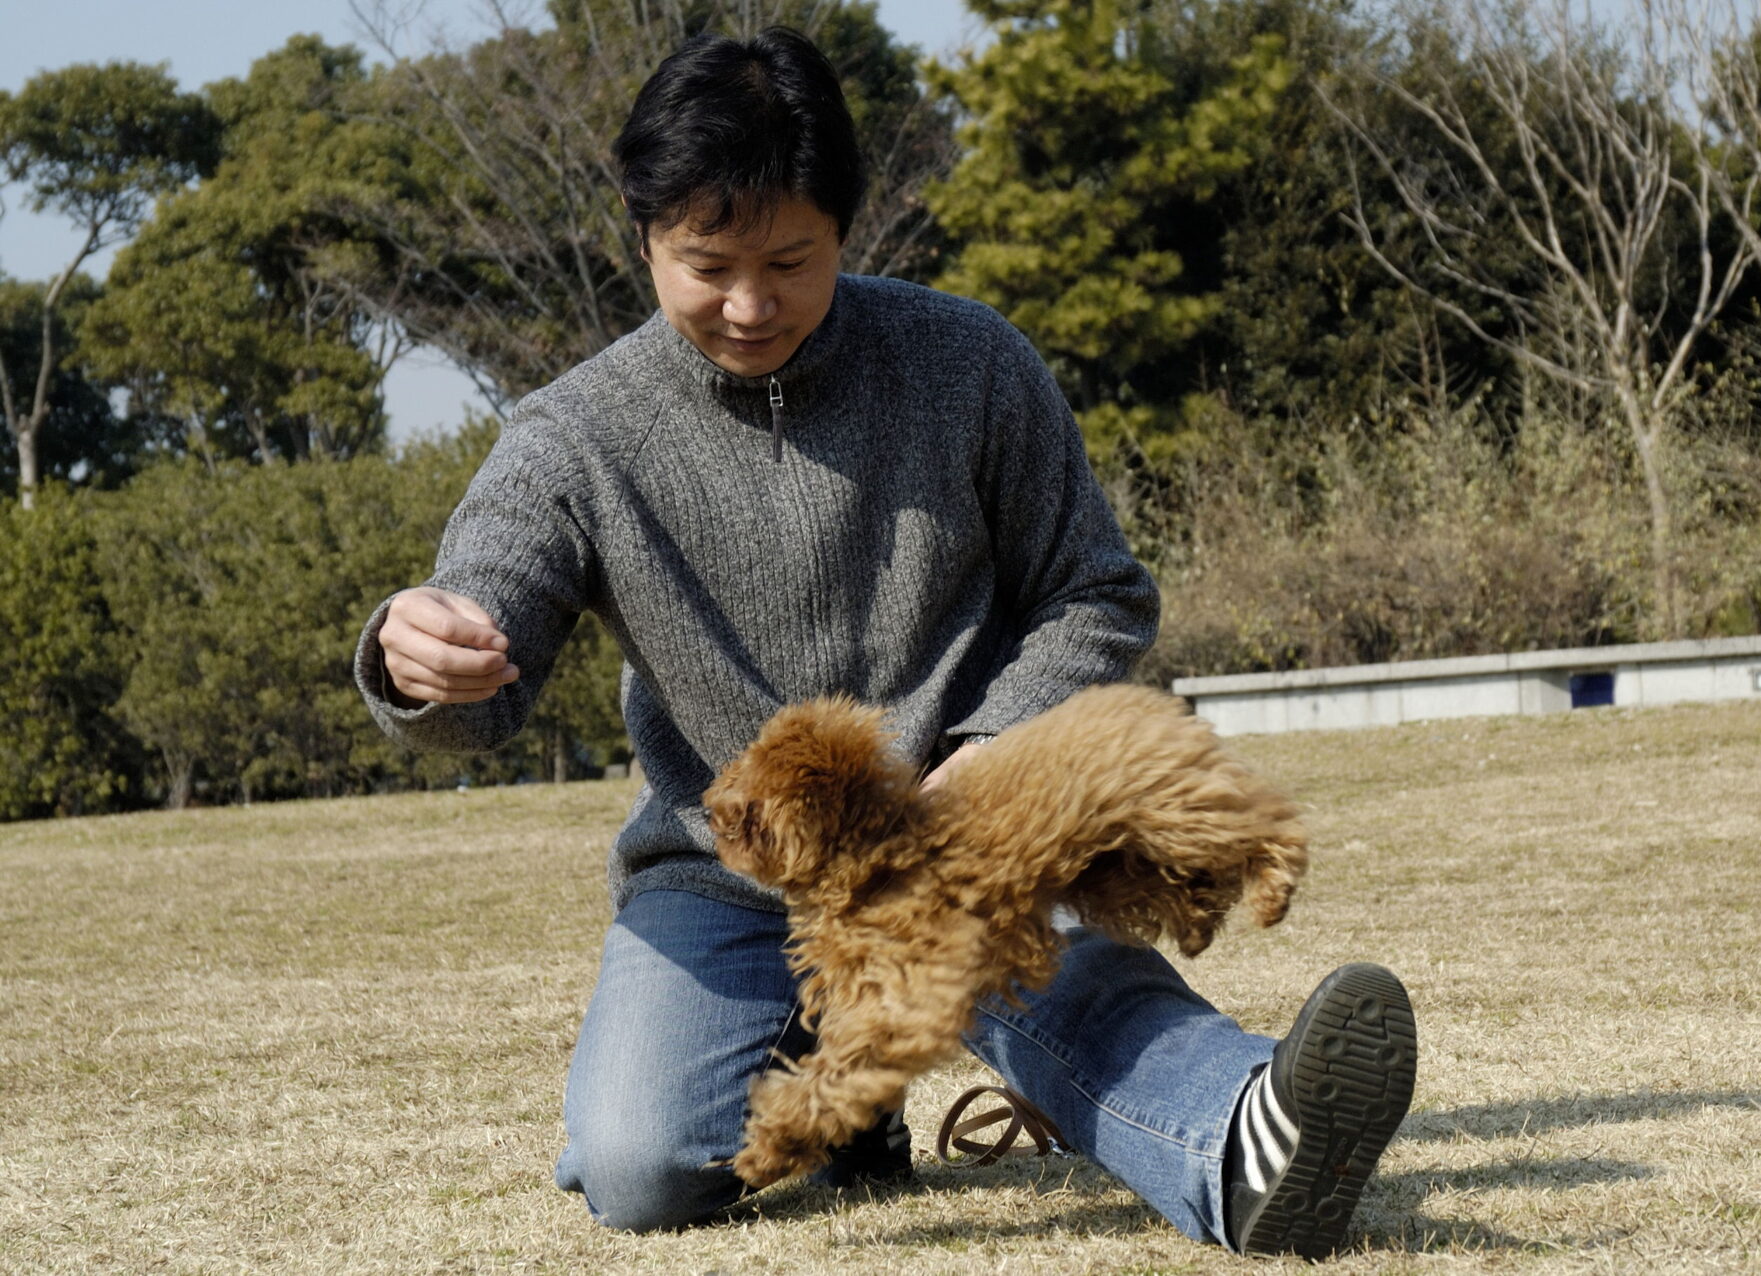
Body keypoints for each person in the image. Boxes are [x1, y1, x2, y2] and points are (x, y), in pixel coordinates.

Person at [354, 26, 1416, 1260]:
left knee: (1056, 976)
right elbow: (479, 644)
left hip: (968, 827)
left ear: (845, 231)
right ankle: (823, 1070)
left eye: (791, 262)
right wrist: (415, 656)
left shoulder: (970, 362)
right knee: (639, 1164)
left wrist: (991, 756)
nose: (750, 305)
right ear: (641, 234)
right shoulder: (569, 438)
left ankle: (1239, 1134)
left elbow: (1098, 592)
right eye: (708, 264)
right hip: (729, 864)